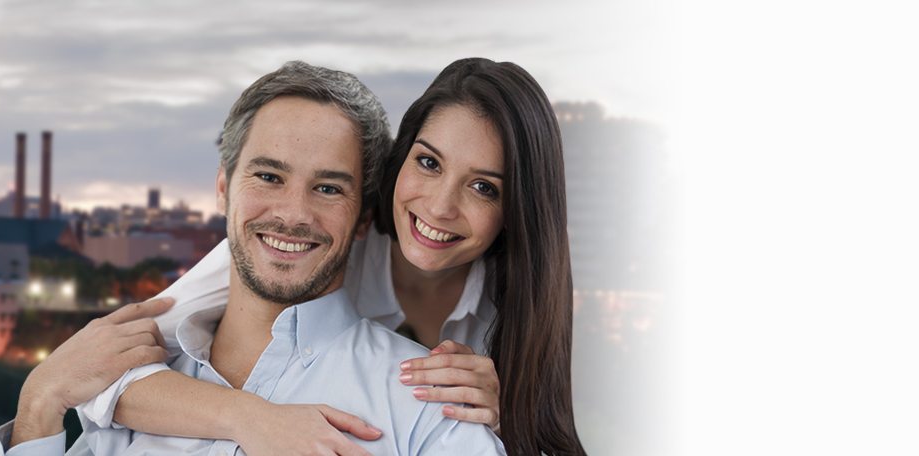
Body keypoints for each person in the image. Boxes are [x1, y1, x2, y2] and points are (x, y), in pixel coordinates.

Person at [51, 58, 587, 456]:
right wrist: (254, 419)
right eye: (428, 163)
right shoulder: (282, 247)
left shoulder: (513, 314)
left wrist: (501, 415)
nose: (440, 206)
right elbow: (107, 379)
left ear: (516, 211)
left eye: (484, 188)